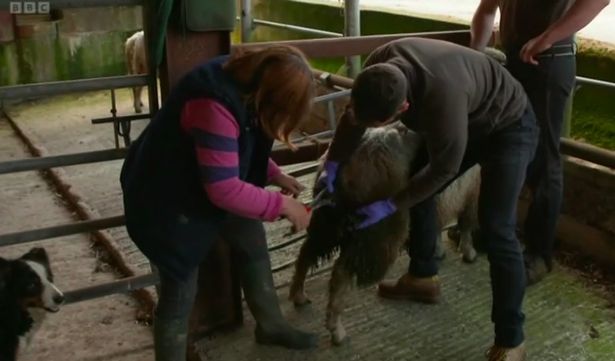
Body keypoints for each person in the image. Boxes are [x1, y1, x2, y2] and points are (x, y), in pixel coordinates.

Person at [318, 37, 538, 360]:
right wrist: (332, 166)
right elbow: (356, 118)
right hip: (466, 115)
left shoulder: (440, 100)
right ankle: (423, 276)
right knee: (415, 188)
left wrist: (388, 205)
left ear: (403, 109)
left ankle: (511, 340)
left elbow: (442, 170)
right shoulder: (379, 69)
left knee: (496, 227)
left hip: (508, 126)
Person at [120, 46, 319, 361]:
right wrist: (283, 205)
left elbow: (242, 140)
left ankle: (271, 325)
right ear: (268, 96)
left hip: (204, 182)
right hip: (166, 198)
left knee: (251, 240)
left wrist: (273, 173)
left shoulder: (247, 81)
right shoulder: (213, 102)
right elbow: (224, 188)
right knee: (180, 287)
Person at [470, 0, 610, 284]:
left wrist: (549, 37)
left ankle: (539, 253)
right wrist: (474, 55)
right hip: (509, 61)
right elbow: (486, 10)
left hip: (549, 60)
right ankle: (493, 229)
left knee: (544, 160)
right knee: (501, 147)